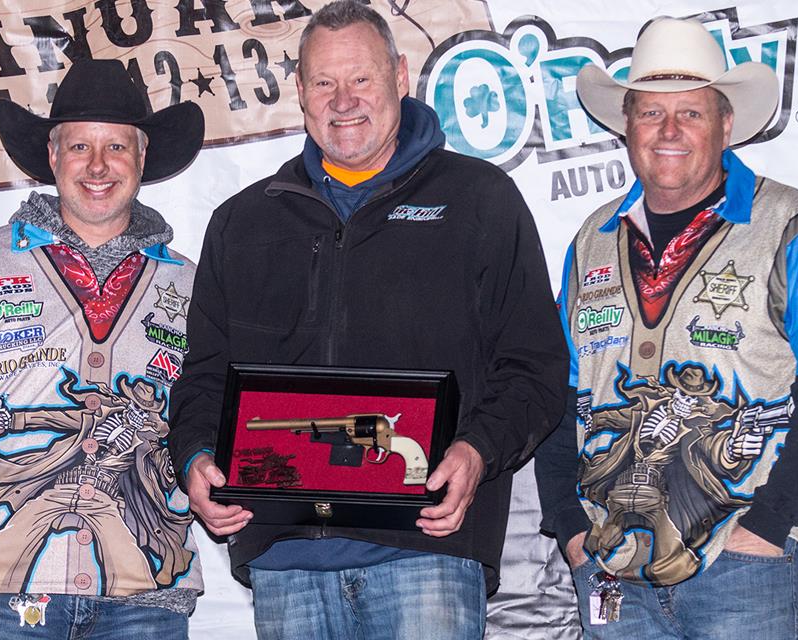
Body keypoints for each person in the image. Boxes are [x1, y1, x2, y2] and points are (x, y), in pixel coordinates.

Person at [166, 1, 567, 638]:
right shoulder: (243, 222)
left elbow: (536, 366)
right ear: (299, 92)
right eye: (324, 82)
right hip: (287, 559)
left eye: (362, 79)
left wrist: (476, 451)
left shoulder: (480, 199)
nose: (343, 100)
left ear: (401, 77)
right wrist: (195, 456)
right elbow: (203, 377)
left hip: (428, 554)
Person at [534, 17, 798, 639]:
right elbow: (558, 394)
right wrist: (568, 522)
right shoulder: (592, 239)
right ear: (626, 127)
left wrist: (771, 526)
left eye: (690, 113)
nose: (668, 131)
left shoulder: (789, 224)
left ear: (724, 125)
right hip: (611, 568)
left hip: (745, 565)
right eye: (650, 113)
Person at [0, 59, 206, 639]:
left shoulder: (192, 285)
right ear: (54, 157)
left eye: (117, 146)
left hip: (146, 602)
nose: (99, 165)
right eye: (79, 145)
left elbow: (206, 423)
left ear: (143, 159)